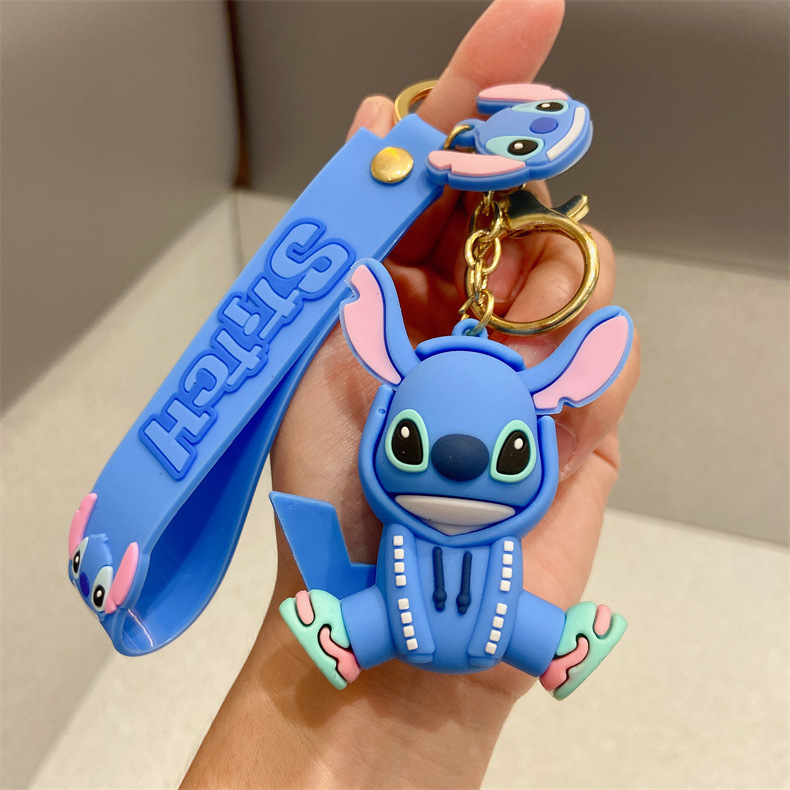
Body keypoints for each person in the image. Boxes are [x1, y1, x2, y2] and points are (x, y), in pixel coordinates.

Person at [182, 0, 640, 786]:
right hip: (406, 615)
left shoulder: (493, 506)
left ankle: (546, 647)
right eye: (410, 443)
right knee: (403, 616)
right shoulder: (391, 420)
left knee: (489, 618)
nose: (458, 464)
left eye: (509, 455)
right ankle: (364, 641)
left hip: (473, 619)